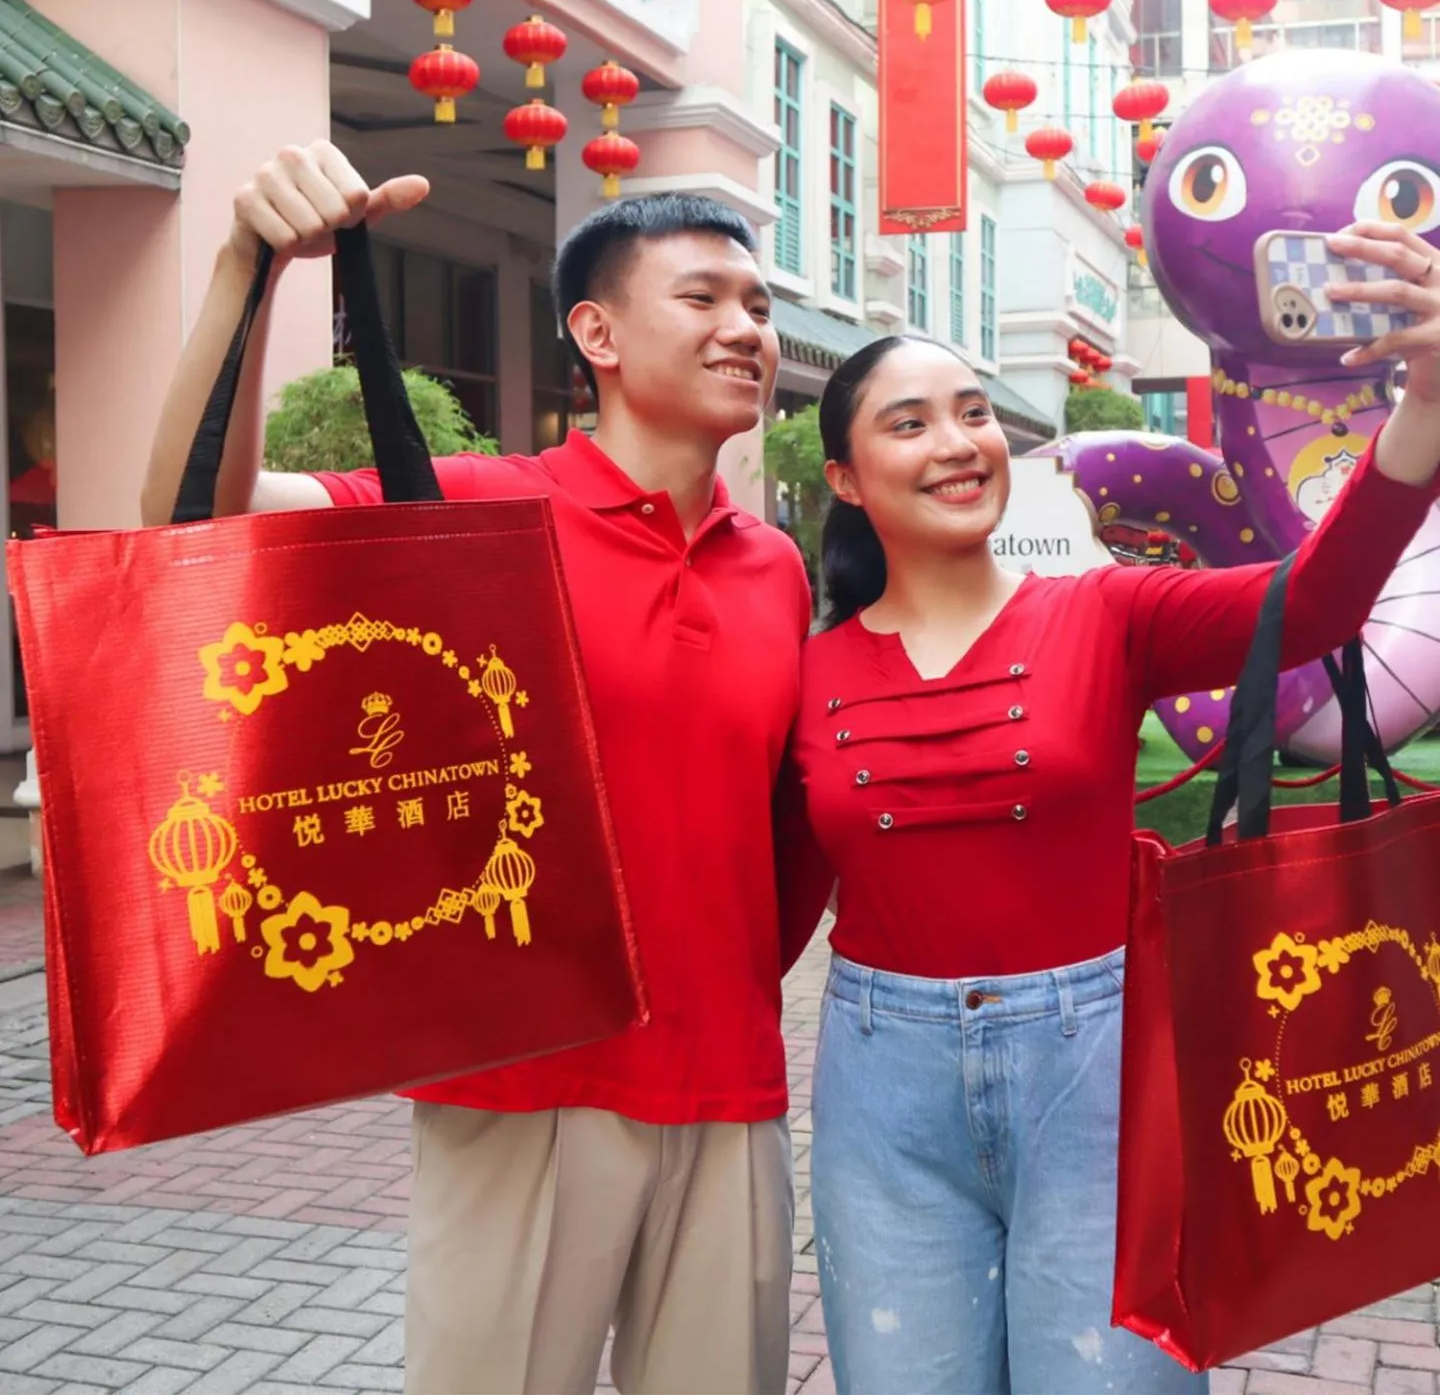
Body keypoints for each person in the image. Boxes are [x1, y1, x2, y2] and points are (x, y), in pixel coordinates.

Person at [140, 141, 811, 1395]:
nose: (747, 330)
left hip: (734, 1087)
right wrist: (248, 270)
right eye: (705, 299)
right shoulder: (482, 514)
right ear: (597, 334)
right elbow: (200, 524)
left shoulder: (772, 567)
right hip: (524, 1084)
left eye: (760, 308)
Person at [775, 222, 1440, 1395]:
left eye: (974, 412)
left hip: (1101, 1071)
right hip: (885, 1094)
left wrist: (1424, 406)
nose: (957, 442)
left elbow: (1322, 603)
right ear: (845, 478)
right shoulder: (804, 671)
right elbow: (763, 890)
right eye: (910, 422)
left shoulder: (1106, 612)